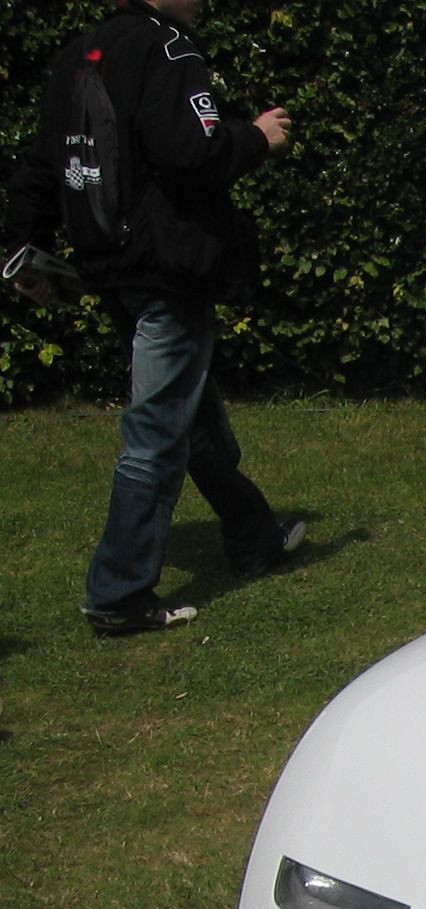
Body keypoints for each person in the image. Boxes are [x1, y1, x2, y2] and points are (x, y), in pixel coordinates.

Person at [4, 0, 302, 635]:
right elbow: (192, 152)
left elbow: (42, 164)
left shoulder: (80, 52)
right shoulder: (168, 47)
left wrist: (22, 248)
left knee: (188, 416)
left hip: (110, 265)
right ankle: (118, 593)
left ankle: (254, 535)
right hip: (165, 265)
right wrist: (255, 137)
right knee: (158, 431)